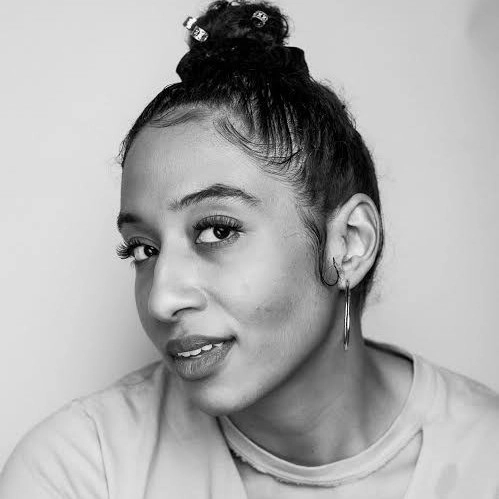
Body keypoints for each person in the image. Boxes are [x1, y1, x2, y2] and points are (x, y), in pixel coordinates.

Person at [1, 1, 498, 498]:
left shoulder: (486, 459)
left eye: (217, 231)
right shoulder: (79, 471)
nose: (161, 300)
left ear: (348, 245)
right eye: (142, 249)